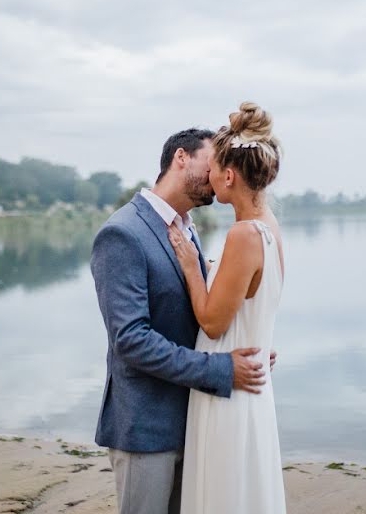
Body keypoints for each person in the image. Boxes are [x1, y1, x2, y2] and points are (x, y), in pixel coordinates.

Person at [91, 127, 275, 514]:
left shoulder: (188, 229)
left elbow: (199, 310)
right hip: (146, 427)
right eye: (211, 163)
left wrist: (241, 343)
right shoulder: (122, 234)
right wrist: (221, 367)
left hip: (197, 422)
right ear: (180, 158)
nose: (217, 175)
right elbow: (132, 340)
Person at [168, 103, 286, 513]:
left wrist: (190, 267)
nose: (209, 175)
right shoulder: (269, 225)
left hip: (229, 389)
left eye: (215, 167)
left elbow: (214, 323)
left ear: (230, 175)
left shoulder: (242, 234)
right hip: (250, 382)